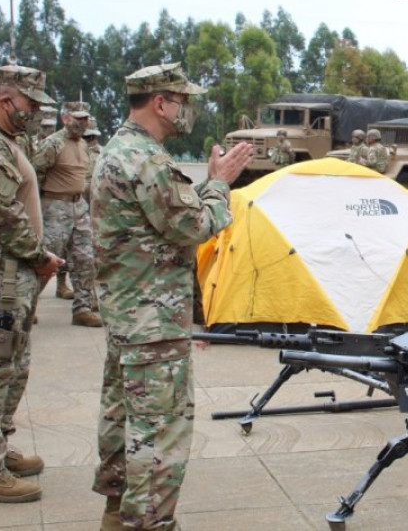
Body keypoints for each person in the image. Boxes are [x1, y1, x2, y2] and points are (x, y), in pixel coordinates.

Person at [90, 63, 253, 531]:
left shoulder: (120, 151)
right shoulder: (147, 159)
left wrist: (208, 184)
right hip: (153, 322)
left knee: (123, 420)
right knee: (159, 433)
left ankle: (117, 515)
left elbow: (162, 216)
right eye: (183, 101)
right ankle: (148, 523)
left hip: (128, 316)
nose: (189, 111)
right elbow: (195, 224)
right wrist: (220, 185)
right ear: (160, 103)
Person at [0, 65, 63, 503]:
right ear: (6, 101)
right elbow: (3, 215)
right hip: (2, 277)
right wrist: (40, 258)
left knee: (13, 368)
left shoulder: (10, 144)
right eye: (30, 105)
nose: (34, 114)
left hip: (14, 277)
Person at [33, 101, 102, 326]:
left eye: (85, 119)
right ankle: (27, 305)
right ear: (65, 118)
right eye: (77, 118)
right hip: (55, 207)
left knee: (85, 259)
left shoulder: (83, 145)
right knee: (46, 260)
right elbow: (36, 175)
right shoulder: (52, 144)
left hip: (78, 206)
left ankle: (82, 308)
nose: (81, 123)